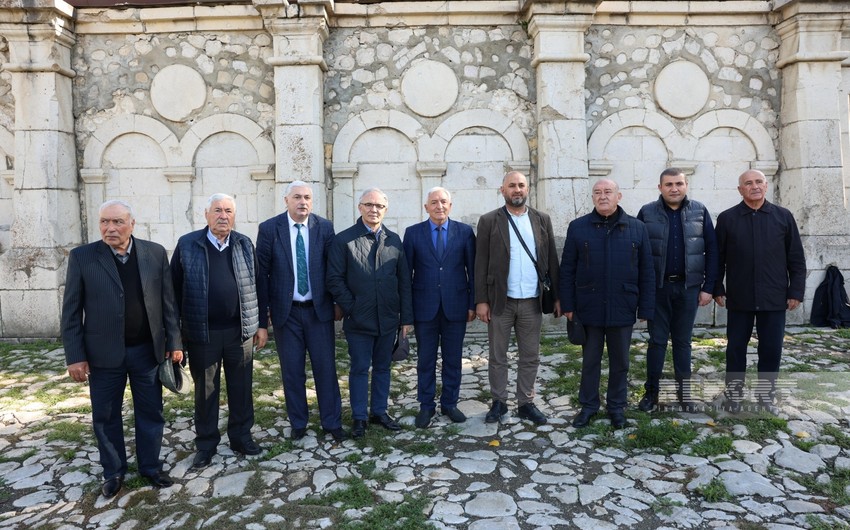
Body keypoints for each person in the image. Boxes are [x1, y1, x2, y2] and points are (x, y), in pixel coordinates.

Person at [61, 200, 183, 498]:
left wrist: (175, 342)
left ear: (132, 224)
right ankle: (113, 472)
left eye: (117, 222)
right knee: (106, 416)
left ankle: (150, 467)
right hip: (104, 356)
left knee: (151, 412)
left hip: (147, 352)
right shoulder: (83, 257)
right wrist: (75, 356)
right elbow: (71, 311)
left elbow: (168, 303)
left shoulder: (154, 253)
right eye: (104, 222)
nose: (109, 228)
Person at [171, 193, 261, 470]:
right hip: (203, 333)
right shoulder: (187, 245)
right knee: (206, 392)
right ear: (206, 214)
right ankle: (206, 444)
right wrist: (176, 336)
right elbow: (172, 292)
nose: (223, 216)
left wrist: (261, 326)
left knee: (241, 388)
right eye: (218, 211)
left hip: (239, 331)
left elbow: (258, 285)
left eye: (229, 211)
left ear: (235, 215)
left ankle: (240, 437)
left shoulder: (244, 244)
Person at [256, 181, 347, 443]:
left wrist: (338, 303)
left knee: (326, 368)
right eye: (297, 197)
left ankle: (332, 421)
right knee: (292, 370)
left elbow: (334, 269)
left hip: (319, 312)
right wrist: (264, 318)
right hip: (287, 313)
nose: (303, 202)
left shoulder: (324, 227)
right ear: (286, 200)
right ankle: (299, 422)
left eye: (307, 197)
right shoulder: (270, 229)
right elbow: (262, 275)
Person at [560, 179, 654, 429]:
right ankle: (588, 406)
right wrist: (568, 305)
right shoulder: (578, 228)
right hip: (588, 307)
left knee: (620, 362)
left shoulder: (637, 228)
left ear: (619, 196)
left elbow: (647, 270)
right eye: (598, 193)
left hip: (622, 305)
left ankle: (616, 407)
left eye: (608, 192)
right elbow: (567, 269)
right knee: (590, 360)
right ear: (592, 198)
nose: (603, 197)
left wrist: (645, 307)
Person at [714, 169, 806, 412]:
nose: (754, 186)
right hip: (739, 296)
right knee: (735, 349)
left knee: (771, 349)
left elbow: (796, 257)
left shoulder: (784, 217)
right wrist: (716, 287)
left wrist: (795, 291)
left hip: (774, 297)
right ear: (740, 189)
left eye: (758, 182)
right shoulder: (726, 219)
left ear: (766, 186)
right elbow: (717, 258)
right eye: (748, 183)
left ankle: (766, 398)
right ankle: (733, 397)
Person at [474, 171, 560, 425]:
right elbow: (480, 262)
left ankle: (526, 402)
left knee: (530, 355)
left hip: (532, 300)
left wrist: (556, 297)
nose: (517, 189)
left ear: (528, 189)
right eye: (512, 185)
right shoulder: (489, 221)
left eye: (521, 185)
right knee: (498, 355)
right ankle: (499, 402)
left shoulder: (542, 220)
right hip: (501, 300)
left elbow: (552, 260)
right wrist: (481, 300)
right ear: (502, 190)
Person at [327, 188, 413, 438]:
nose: (374, 210)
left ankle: (379, 411)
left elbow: (404, 280)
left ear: (385, 210)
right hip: (359, 319)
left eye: (379, 206)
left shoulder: (394, 240)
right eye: (369, 205)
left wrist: (405, 318)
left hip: (388, 318)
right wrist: (351, 306)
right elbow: (334, 278)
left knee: (384, 368)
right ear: (360, 208)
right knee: (360, 368)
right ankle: (359, 417)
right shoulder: (344, 240)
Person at [636, 168, 718, 412]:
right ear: (660, 187)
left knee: (683, 343)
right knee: (657, 342)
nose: (674, 188)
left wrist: (708, 287)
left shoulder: (700, 211)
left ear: (686, 185)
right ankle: (651, 394)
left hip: (688, 288)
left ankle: (685, 395)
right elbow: (638, 252)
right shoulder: (647, 212)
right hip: (658, 289)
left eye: (679, 184)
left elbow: (712, 251)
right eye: (669, 184)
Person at [403, 187, 476, 428]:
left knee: (453, 358)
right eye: (434, 202)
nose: (439, 206)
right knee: (425, 359)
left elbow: (472, 271)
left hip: (456, 306)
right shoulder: (413, 234)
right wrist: (408, 311)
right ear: (426, 207)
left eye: (443, 202)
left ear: (450, 206)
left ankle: (450, 403)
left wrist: (472, 303)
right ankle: (426, 406)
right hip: (424, 307)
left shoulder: (464, 232)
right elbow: (406, 275)